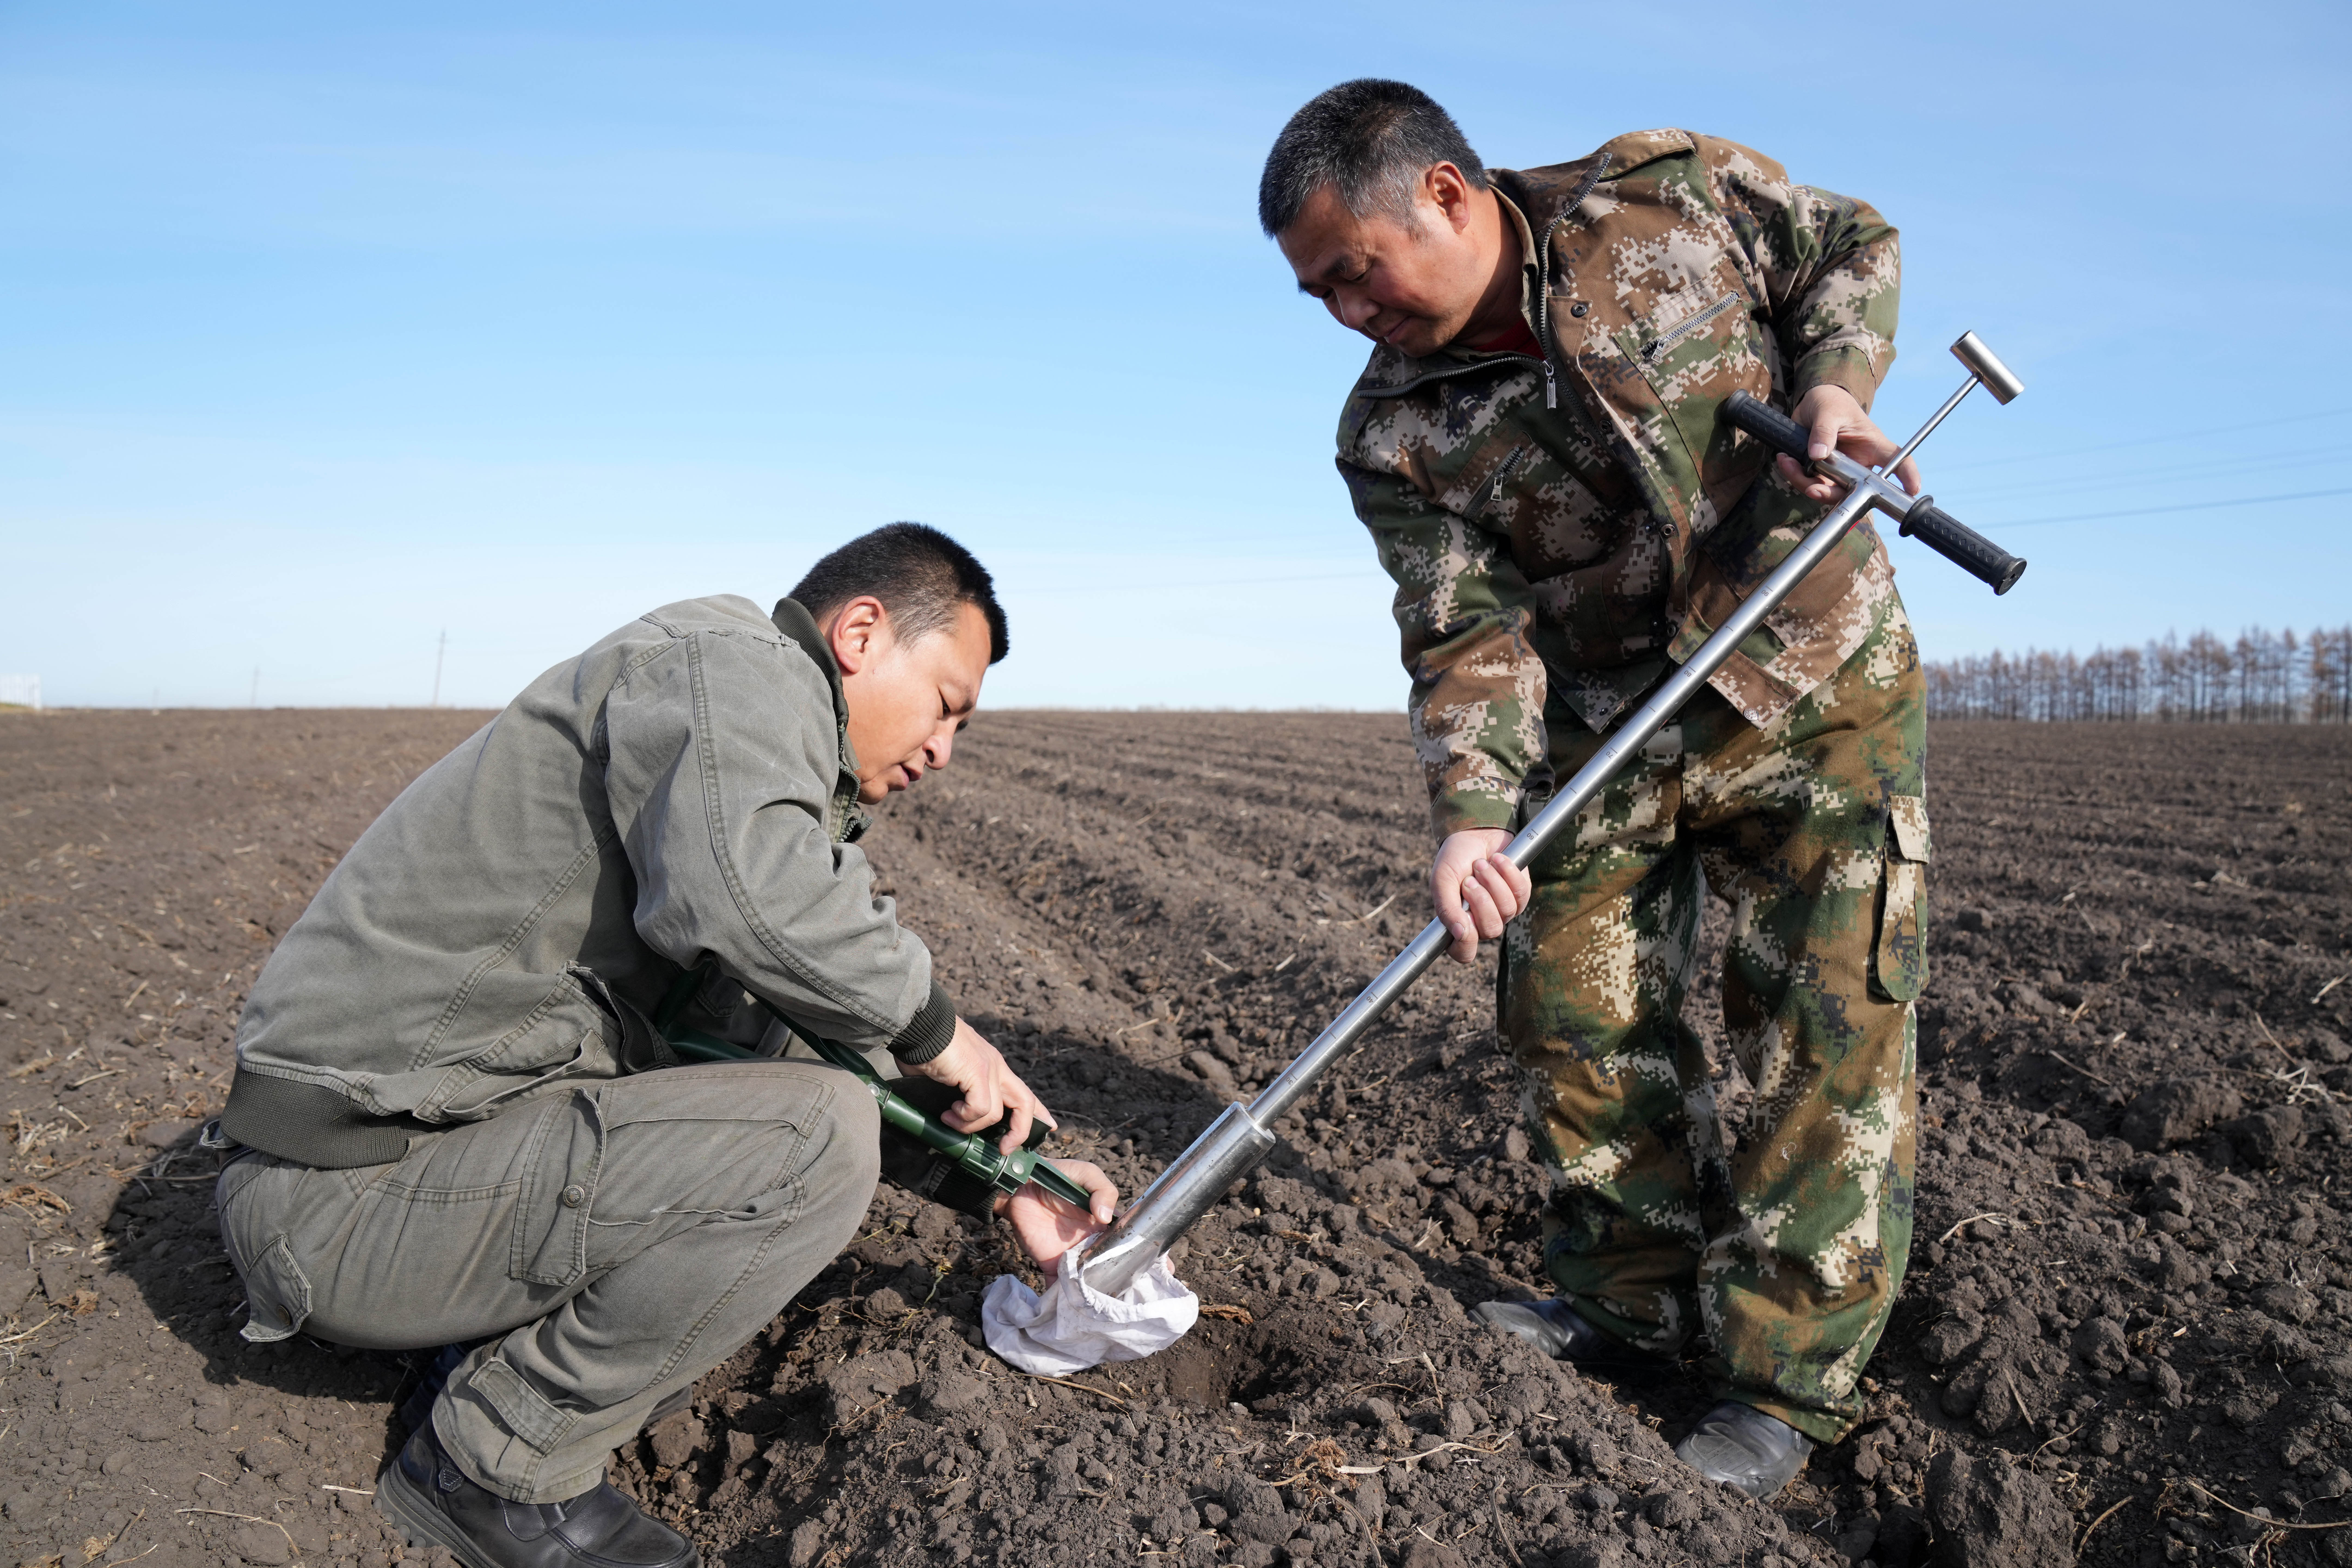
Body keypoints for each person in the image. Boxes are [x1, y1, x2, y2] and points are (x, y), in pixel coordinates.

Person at [1258, 81, 1929, 1499]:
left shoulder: (1662, 200)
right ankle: (1627, 1309)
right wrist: (1472, 819)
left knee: (1821, 1022)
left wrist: (1833, 388)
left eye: (1354, 276)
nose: (1345, 316)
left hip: (1808, 677)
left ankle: (1779, 1383)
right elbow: (1464, 628)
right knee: (1570, 1003)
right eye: (1317, 295)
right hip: (1604, 720)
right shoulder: (1388, 433)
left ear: (1444, 194)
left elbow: (1851, 243)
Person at [210, 523, 1117, 1568]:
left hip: (422, 1174)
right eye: (949, 705)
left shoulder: (744, 754)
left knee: (793, 1121)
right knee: (812, 1142)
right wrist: (936, 1029)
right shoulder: (729, 665)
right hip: (338, 1207)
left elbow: (772, 1027)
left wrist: (1007, 1179)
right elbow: (755, 899)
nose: (944, 750)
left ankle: (482, 1356)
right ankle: (495, 1463)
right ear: (862, 632)